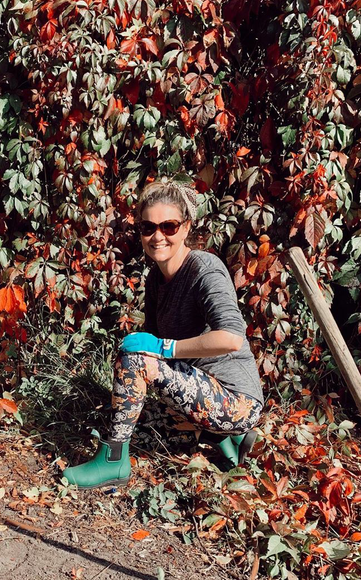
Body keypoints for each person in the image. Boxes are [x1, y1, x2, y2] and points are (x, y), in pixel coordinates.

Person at [63, 180, 264, 489]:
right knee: (119, 418)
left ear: (185, 228)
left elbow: (231, 338)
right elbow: (154, 361)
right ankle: (223, 438)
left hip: (237, 399)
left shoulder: (205, 270)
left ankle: (114, 463)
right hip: (198, 390)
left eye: (168, 226)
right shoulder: (156, 277)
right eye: (148, 227)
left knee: (137, 363)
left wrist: (162, 347)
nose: (158, 236)